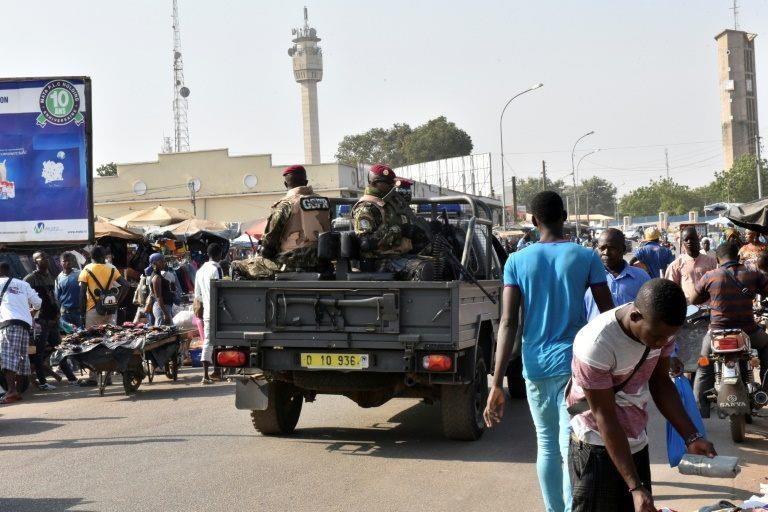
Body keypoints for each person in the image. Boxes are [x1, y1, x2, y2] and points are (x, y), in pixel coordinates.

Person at [484, 191, 615, 512]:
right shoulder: (586, 257)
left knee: (546, 445)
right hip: (577, 365)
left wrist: (497, 382)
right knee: (569, 443)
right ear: (565, 215)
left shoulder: (517, 261)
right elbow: (609, 315)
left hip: (535, 364)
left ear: (533, 220)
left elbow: (507, 323)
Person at [568, 279, 717, 512]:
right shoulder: (596, 344)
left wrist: (691, 436)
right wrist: (635, 486)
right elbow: (604, 416)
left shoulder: (662, 329)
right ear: (636, 316)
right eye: (657, 337)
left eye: (667, 338)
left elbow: (660, 381)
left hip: (635, 440)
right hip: (596, 444)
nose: (661, 343)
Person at [690, 241, 768, 415]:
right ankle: (765, 388)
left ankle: (699, 409)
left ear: (718, 259)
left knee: (703, 365)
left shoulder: (710, 276)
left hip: (717, 334)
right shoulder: (753, 273)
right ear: (738, 257)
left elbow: (694, 300)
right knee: (766, 346)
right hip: (748, 332)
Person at [231, 165, 331, 279]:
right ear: (306, 182)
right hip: (322, 263)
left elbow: (268, 246)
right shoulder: (325, 202)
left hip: (291, 264)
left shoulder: (285, 205)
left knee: (237, 266)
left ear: (285, 184)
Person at [352, 164, 433, 280]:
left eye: (392, 182)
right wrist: (397, 231)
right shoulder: (366, 207)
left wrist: (414, 232)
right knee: (422, 269)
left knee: (437, 262)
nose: (391, 186)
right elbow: (366, 243)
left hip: (396, 256)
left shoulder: (388, 204)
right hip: (377, 261)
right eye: (387, 183)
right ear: (374, 183)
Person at [78, 246, 129, 386]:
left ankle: (93, 376)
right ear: (104, 257)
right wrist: (117, 301)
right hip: (110, 309)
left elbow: (82, 293)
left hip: (92, 310)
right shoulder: (112, 268)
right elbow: (126, 285)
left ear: (91, 257)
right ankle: (109, 375)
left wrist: (82, 313)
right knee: (110, 341)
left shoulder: (87, 270)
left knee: (93, 343)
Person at [585, 229, 650, 321]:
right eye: (602, 248)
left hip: (627, 335)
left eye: (611, 248)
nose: (606, 252)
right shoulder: (587, 277)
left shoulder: (641, 277)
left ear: (623, 249)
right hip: (594, 334)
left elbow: (649, 310)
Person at [0, 261, 41, 403]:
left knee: (7, 358)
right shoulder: (22, 284)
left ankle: (11, 391)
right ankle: (16, 389)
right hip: (24, 325)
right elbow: (38, 302)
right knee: (20, 357)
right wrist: (32, 313)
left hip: (8, 324)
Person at [24, 252, 63, 390]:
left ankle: (70, 377)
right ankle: (42, 382)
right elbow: (26, 300)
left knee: (58, 348)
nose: (46, 260)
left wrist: (57, 313)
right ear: (35, 261)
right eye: (42, 258)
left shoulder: (50, 277)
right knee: (38, 353)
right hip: (40, 322)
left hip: (53, 320)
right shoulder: (30, 279)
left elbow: (53, 298)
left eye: (47, 257)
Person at [664, 226, 717, 304]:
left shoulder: (712, 262)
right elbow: (671, 291)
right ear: (683, 242)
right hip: (688, 310)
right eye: (686, 240)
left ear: (698, 239)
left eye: (692, 238)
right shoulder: (675, 265)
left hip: (709, 308)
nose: (689, 241)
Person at [195, 243, 224, 385]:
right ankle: (213, 372)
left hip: (207, 310)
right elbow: (220, 289)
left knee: (208, 340)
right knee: (219, 340)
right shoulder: (217, 269)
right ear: (219, 254)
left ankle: (211, 373)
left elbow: (197, 296)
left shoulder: (199, 271)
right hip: (218, 310)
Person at [55, 252, 81, 326]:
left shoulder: (79, 274)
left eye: (69, 260)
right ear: (60, 263)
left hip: (78, 313)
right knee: (67, 336)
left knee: (82, 335)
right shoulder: (58, 278)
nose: (67, 263)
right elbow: (57, 298)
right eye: (64, 261)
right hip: (65, 314)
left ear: (72, 261)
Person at [149, 253, 173, 326]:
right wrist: (165, 314)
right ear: (154, 263)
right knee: (161, 332)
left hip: (164, 307)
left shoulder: (159, 275)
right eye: (161, 261)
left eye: (164, 261)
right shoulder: (156, 278)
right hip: (162, 308)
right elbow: (158, 297)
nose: (164, 263)